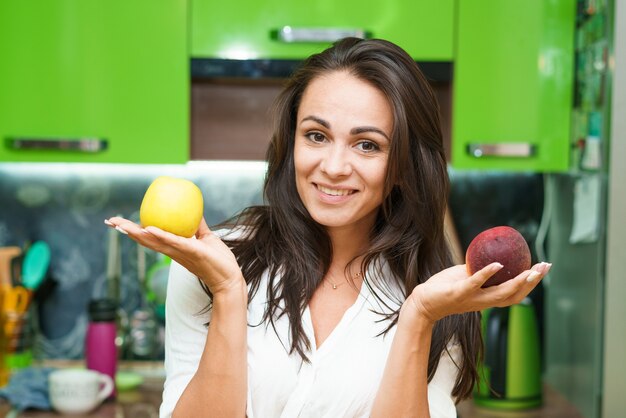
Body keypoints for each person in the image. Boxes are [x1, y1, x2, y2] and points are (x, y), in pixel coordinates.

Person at [105, 37, 550, 418]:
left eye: (367, 144)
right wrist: (227, 291)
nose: (333, 167)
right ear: (291, 140)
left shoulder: (437, 296)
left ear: (401, 168)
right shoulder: (212, 263)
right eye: (316, 135)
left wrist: (418, 317)